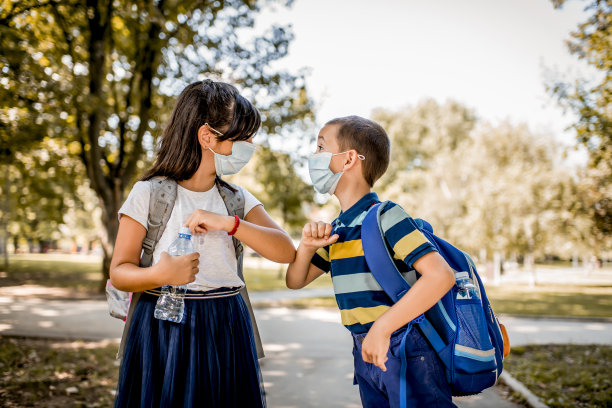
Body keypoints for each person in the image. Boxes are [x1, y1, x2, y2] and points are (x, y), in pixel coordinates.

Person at [110, 79, 295, 407]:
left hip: (227, 323)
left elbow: (285, 251)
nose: (250, 144)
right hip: (163, 328)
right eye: (244, 136)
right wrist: (160, 274)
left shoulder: (237, 198)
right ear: (208, 136)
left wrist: (231, 224)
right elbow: (120, 272)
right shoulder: (149, 194)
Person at [286, 116, 457, 407]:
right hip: (365, 348)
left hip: (404, 347)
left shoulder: (387, 216)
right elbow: (295, 280)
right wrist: (306, 246)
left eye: (320, 147)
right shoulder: (338, 229)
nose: (313, 157)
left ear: (349, 159)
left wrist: (382, 328)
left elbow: (441, 276)